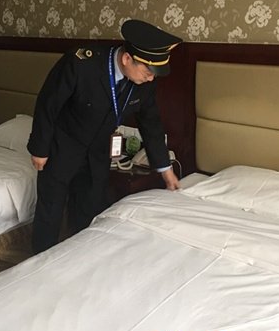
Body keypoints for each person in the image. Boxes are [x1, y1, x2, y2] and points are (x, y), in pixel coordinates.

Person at [27, 19, 182, 254]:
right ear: (127, 59)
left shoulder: (144, 82)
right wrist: (40, 148)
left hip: (98, 151)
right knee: (51, 209)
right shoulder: (81, 64)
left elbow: (151, 123)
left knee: (89, 208)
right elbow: (48, 103)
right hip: (64, 145)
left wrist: (165, 169)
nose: (151, 78)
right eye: (148, 71)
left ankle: (81, 256)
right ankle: (39, 262)